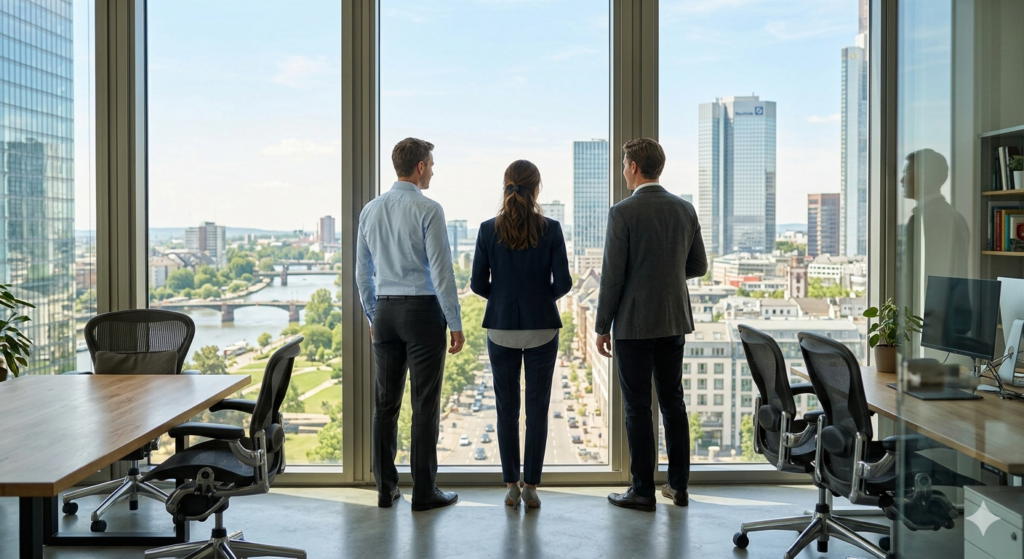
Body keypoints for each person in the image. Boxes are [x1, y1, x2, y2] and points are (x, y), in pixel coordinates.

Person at [595, 138, 707, 511]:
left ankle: (642, 490)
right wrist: (667, 277)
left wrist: (601, 325)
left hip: (634, 324)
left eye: (624, 164)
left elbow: (612, 277)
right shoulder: (685, 209)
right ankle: (679, 487)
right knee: (673, 404)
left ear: (632, 167)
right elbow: (698, 266)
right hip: (673, 318)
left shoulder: (622, 213)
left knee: (637, 408)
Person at [356, 137, 465, 512]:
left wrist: (373, 315)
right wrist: (455, 322)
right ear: (420, 166)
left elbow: (361, 275)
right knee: (424, 405)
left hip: (385, 313)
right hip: (422, 313)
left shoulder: (370, 210)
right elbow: (442, 271)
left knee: (384, 407)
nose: (433, 170)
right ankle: (424, 492)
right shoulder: (429, 209)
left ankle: (385, 490)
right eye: (431, 164)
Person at [470, 160, 572, 511]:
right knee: (538, 411)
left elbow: (476, 284)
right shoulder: (552, 228)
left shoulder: (486, 230)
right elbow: (565, 283)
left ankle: (511, 485)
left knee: (506, 410)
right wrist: (540, 299)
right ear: (537, 188)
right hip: (543, 327)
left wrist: (502, 299)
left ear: (506, 187)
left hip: (501, 329)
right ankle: (531, 487)